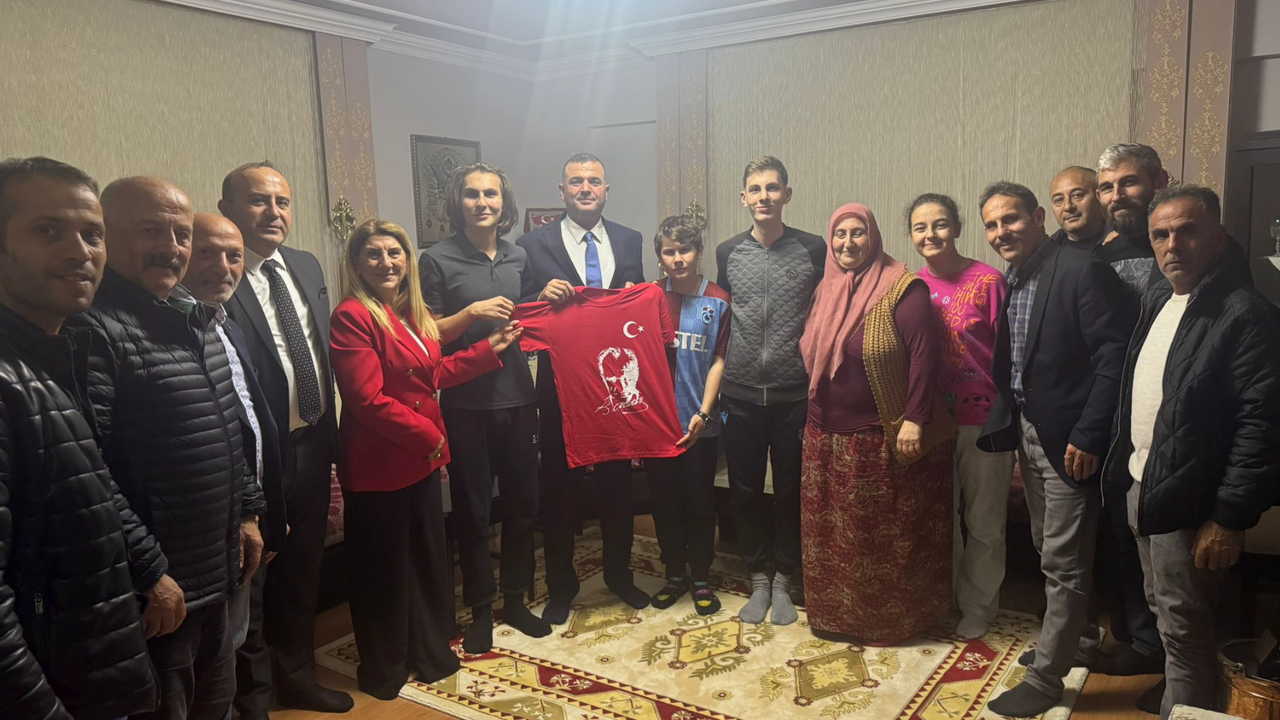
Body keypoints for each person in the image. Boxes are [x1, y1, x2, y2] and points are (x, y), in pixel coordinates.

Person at [67, 176, 264, 720]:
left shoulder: (194, 317)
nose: (170, 248)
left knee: (216, 705)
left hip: (215, 575)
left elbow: (228, 429)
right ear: (107, 236)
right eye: (150, 231)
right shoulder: (93, 330)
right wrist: (148, 571)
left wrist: (249, 512)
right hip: (160, 592)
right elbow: (88, 472)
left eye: (181, 235)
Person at [0, 157, 167, 720]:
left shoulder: (60, 352)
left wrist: (150, 567)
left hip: (87, 666)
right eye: (48, 231)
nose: (80, 252)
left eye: (92, 234)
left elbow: (90, 481)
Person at [1105, 186, 1280, 719]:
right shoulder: (1160, 298)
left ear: (1218, 237)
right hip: (1144, 485)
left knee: (1185, 629)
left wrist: (1227, 518)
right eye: (1160, 234)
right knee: (1165, 617)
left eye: (1187, 231)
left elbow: (1261, 427)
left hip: (1192, 501)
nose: (1172, 244)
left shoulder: (1245, 313)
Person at [330, 219, 519, 699]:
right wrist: (430, 434)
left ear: (407, 261)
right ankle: (385, 668)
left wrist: (486, 350)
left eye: (394, 253)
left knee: (426, 562)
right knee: (385, 572)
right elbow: (366, 399)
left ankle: (429, 652)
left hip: (419, 460)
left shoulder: (407, 313)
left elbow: (431, 374)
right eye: (374, 254)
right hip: (380, 463)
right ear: (357, 264)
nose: (386, 263)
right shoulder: (352, 315)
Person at [975, 181, 1136, 718]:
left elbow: (1114, 359)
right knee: (1047, 546)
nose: (1002, 232)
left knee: (1063, 563)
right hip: (1030, 431)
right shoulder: (1014, 277)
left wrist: (1090, 435)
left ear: (1039, 216)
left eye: (1011, 219)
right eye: (992, 224)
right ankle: (1079, 641)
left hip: (1070, 441)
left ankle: (1046, 680)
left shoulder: (1080, 270)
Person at [219, 161, 351, 715]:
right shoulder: (219, 274)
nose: (274, 212)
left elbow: (316, 349)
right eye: (258, 200)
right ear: (228, 209)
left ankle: (297, 678)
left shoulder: (305, 263)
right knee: (252, 576)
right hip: (256, 458)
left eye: (282, 202)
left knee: (302, 570)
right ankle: (253, 698)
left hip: (313, 442)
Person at [798, 202, 952, 644]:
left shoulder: (903, 289)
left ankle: (887, 623)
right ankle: (833, 616)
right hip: (824, 436)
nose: (848, 243)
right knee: (830, 535)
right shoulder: (826, 288)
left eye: (858, 233)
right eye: (840, 234)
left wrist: (915, 419)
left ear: (874, 236)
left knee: (881, 537)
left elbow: (924, 357)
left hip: (881, 436)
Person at [420, 163, 550, 653]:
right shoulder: (435, 259)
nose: (482, 203)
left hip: (519, 397)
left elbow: (530, 311)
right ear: (458, 202)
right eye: (472, 195)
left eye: (491, 194)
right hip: (466, 403)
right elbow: (428, 333)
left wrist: (548, 297)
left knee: (523, 505)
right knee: (473, 512)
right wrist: (472, 312)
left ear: (503, 202)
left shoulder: (518, 255)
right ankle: (479, 610)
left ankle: (515, 600)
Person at [515, 153, 648, 625]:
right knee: (560, 487)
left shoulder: (630, 239)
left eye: (594, 181)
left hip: (614, 382)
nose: (585, 188)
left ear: (606, 190)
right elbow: (519, 308)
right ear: (562, 191)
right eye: (576, 182)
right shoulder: (533, 244)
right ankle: (562, 587)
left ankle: (618, 575)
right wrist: (537, 297)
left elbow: (637, 301)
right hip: (560, 384)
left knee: (617, 484)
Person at [715, 156, 825, 626]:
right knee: (743, 490)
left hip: (792, 395)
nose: (764, 196)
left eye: (773, 188)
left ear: (787, 195)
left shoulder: (813, 248)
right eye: (756, 189)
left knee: (789, 491)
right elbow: (723, 311)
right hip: (738, 393)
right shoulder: (727, 251)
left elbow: (825, 312)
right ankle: (758, 576)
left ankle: (785, 578)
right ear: (744, 198)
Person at [185, 213, 287, 679]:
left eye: (233, 256)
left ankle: (251, 703)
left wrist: (259, 507)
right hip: (202, 522)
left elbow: (245, 421)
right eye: (206, 252)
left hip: (246, 502)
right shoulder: (174, 330)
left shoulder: (225, 324)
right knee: (206, 658)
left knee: (238, 632)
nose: (222, 267)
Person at [907, 193, 1013, 640]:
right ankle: (942, 597)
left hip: (984, 418)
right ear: (911, 235)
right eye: (920, 227)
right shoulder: (911, 287)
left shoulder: (989, 281)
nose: (931, 234)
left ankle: (978, 605)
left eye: (940, 224)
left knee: (984, 519)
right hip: (932, 420)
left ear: (957, 227)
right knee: (938, 516)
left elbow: (1010, 354)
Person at [647, 214, 731, 616]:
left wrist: (704, 412)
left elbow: (719, 359)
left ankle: (700, 576)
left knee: (699, 501)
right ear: (660, 256)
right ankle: (673, 574)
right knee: (664, 503)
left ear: (699, 252)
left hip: (699, 424)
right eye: (669, 251)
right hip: (656, 426)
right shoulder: (648, 297)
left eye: (685, 250)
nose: (677, 258)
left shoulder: (718, 298)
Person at [1096, 143, 1168, 296]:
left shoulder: (1195, 247)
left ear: (1160, 182)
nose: (1116, 196)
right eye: (1107, 188)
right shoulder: (1099, 258)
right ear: (1098, 196)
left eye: (1129, 182)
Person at [1048, 166, 1108, 248]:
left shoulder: (1121, 240)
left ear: (1099, 196)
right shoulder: (1048, 252)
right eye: (1059, 200)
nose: (1068, 207)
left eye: (1077, 195)